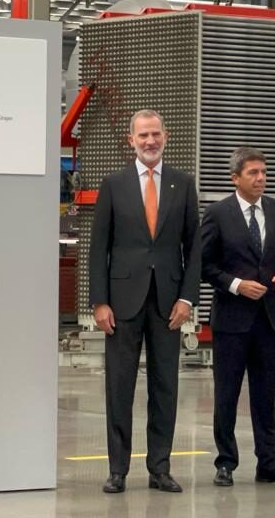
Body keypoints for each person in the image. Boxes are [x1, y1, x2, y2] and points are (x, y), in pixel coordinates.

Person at [89, 109, 201, 494]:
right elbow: (98, 248)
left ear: (165, 136)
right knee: (119, 386)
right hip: (121, 303)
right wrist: (99, 302)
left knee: (165, 386)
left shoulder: (183, 184)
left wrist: (187, 298)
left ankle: (160, 468)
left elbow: (194, 248)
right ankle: (117, 470)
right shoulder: (113, 184)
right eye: (143, 136)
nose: (150, 141)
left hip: (169, 303)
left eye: (155, 134)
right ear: (131, 140)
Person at [200, 147, 275, 488]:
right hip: (231, 320)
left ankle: (268, 464)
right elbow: (205, 265)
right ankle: (225, 463)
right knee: (226, 395)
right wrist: (236, 285)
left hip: (269, 320)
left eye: (263, 172)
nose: (260, 178)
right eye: (253, 173)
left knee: (266, 396)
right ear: (235, 178)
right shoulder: (217, 213)